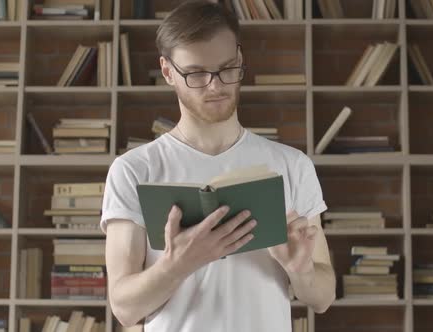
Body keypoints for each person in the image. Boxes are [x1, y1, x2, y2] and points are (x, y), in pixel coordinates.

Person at [101, 0, 336, 330]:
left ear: (240, 59)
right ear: (168, 71)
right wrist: (177, 264)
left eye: (227, 69)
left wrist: (301, 270)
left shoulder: (292, 165)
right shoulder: (134, 170)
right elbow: (124, 308)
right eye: (196, 73)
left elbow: (323, 297)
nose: (216, 86)